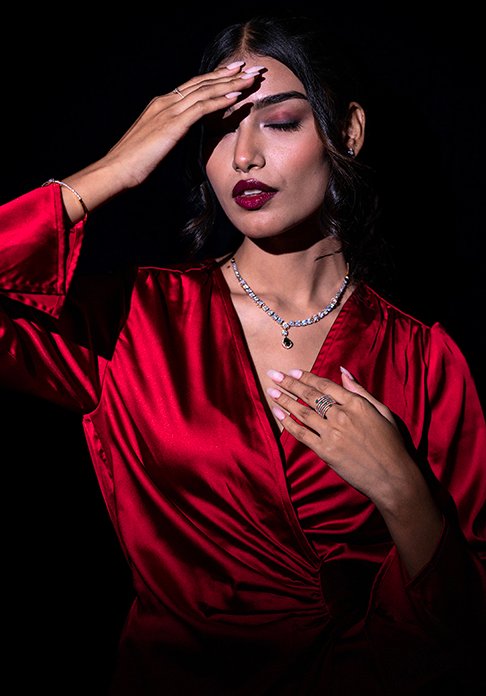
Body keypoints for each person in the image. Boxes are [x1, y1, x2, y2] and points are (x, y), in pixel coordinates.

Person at [1, 14, 485, 696]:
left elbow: (467, 626)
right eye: (219, 129)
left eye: (279, 122)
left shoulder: (425, 359)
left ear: (347, 131)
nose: (244, 157)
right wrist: (107, 173)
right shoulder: (134, 322)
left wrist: (404, 491)